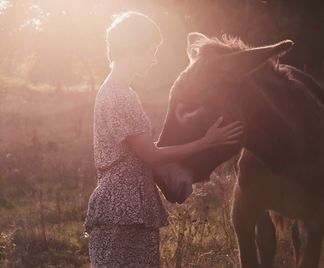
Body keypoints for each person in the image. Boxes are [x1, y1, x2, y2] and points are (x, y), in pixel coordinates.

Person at [83, 11, 243, 267]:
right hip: (124, 207)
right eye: (150, 51)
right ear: (133, 49)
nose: (154, 60)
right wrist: (206, 142)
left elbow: (141, 151)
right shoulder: (120, 95)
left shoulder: (115, 90)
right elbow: (151, 155)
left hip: (128, 204)